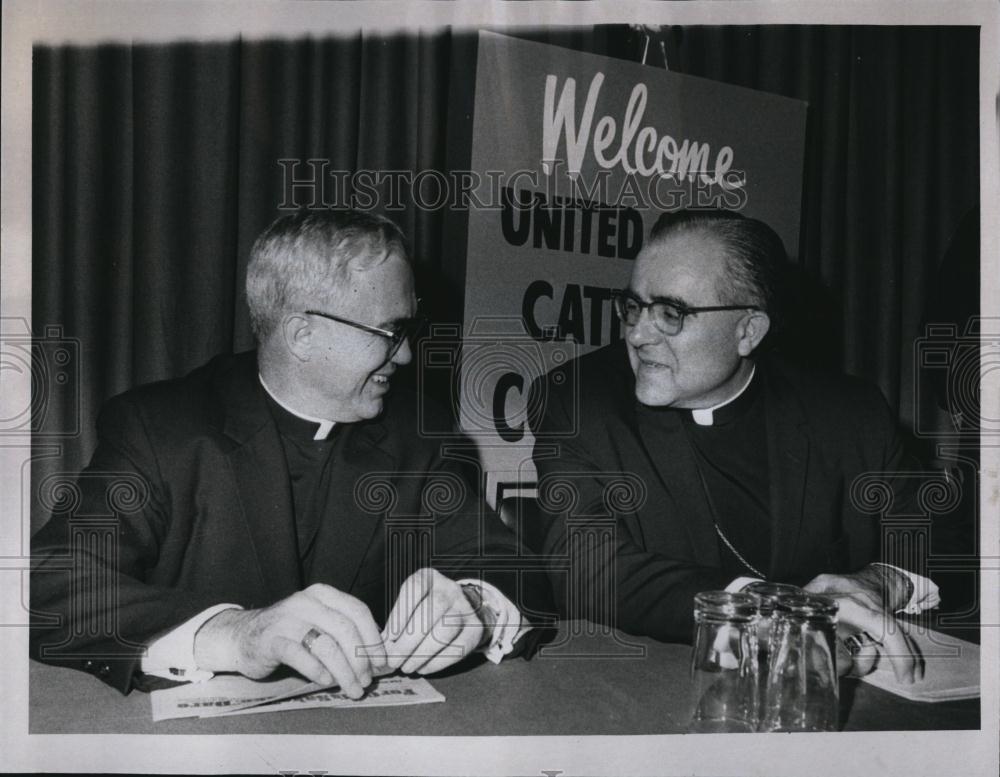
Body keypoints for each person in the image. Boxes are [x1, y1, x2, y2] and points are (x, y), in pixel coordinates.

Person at [31, 209, 552, 696]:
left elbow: (515, 569)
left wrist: (476, 605)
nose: (409, 354)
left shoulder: (418, 434)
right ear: (303, 335)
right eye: (392, 332)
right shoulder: (159, 429)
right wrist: (235, 633)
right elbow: (47, 582)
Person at [530, 209, 939, 682]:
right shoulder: (581, 398)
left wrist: (880, 582)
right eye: (633, 307)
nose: (638, 334)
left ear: (748, 331)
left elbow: (945, 534)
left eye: (671, 313)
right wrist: (776, 613)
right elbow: (586, 568)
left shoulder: (849, 413)